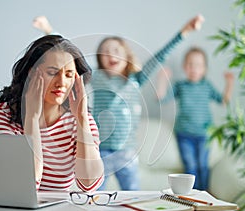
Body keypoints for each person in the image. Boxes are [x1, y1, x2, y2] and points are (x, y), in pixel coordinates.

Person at [32, 15, 204, 190]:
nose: (110, 54)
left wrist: (185, 31)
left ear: (126, 56)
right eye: (105, 51)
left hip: (127, 153)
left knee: (132, 194)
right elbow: (70, 54)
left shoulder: (136, 79)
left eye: (116, 50)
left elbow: (160, 56)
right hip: (101, 152)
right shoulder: (96, 77)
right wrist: (48, 29)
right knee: (93, 195)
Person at [0, 35, 104, 192]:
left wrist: (82, 120)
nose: (61, 82)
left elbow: (89, 184)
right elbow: (25, 184)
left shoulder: (80, 120)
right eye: (52, 72)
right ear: (31, 74)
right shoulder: (1, 116)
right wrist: (32, 120)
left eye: (69, 75)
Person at [156, 47, 234, 190]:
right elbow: (161, 99)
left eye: (198, 65)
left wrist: (229, 83)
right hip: (184, 135)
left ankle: (203, 195)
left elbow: (223, 101)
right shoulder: (181, 86)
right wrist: (162, 79)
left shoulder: (207, 86)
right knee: (190, 166)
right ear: (184, 67)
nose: (193, 68)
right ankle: (192, 196)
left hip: (204, 135)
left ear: (204, 69)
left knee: (203, 166)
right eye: (190, 64)